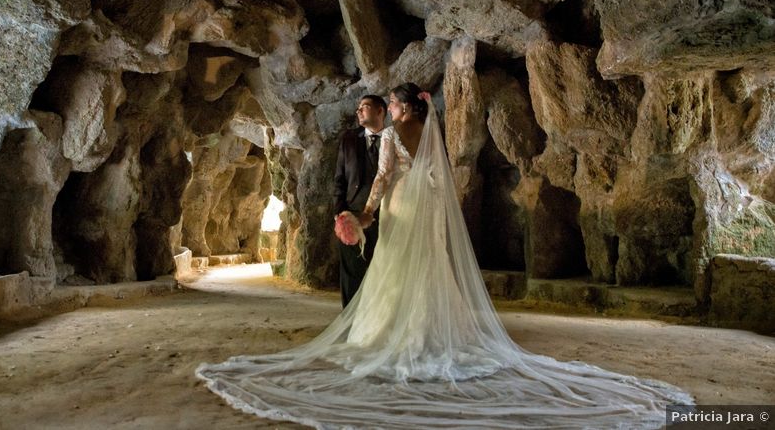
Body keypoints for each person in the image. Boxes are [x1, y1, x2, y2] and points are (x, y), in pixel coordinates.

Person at [197, 82, 693, 429]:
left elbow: (383, 178)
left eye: (392, 105)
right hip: (429, 204)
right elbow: (438, 178)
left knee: (393, 270)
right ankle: (436, 330)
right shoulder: (430, 131)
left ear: (405, 109)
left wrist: (366, 215)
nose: (389, 111)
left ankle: (390, 333)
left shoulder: (393, 136)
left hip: (400, 204)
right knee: (428, 266)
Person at [333, 94, 387, 307]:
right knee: (351, 273)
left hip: (387, 214)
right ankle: (349, 321)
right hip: (352, 213)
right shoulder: (348, 138)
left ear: (380, 111)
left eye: (364, 107)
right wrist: (339, 213)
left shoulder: (394, 139)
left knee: (383, 269)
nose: (358, 111)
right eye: (358, 108)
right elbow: (339, 179)